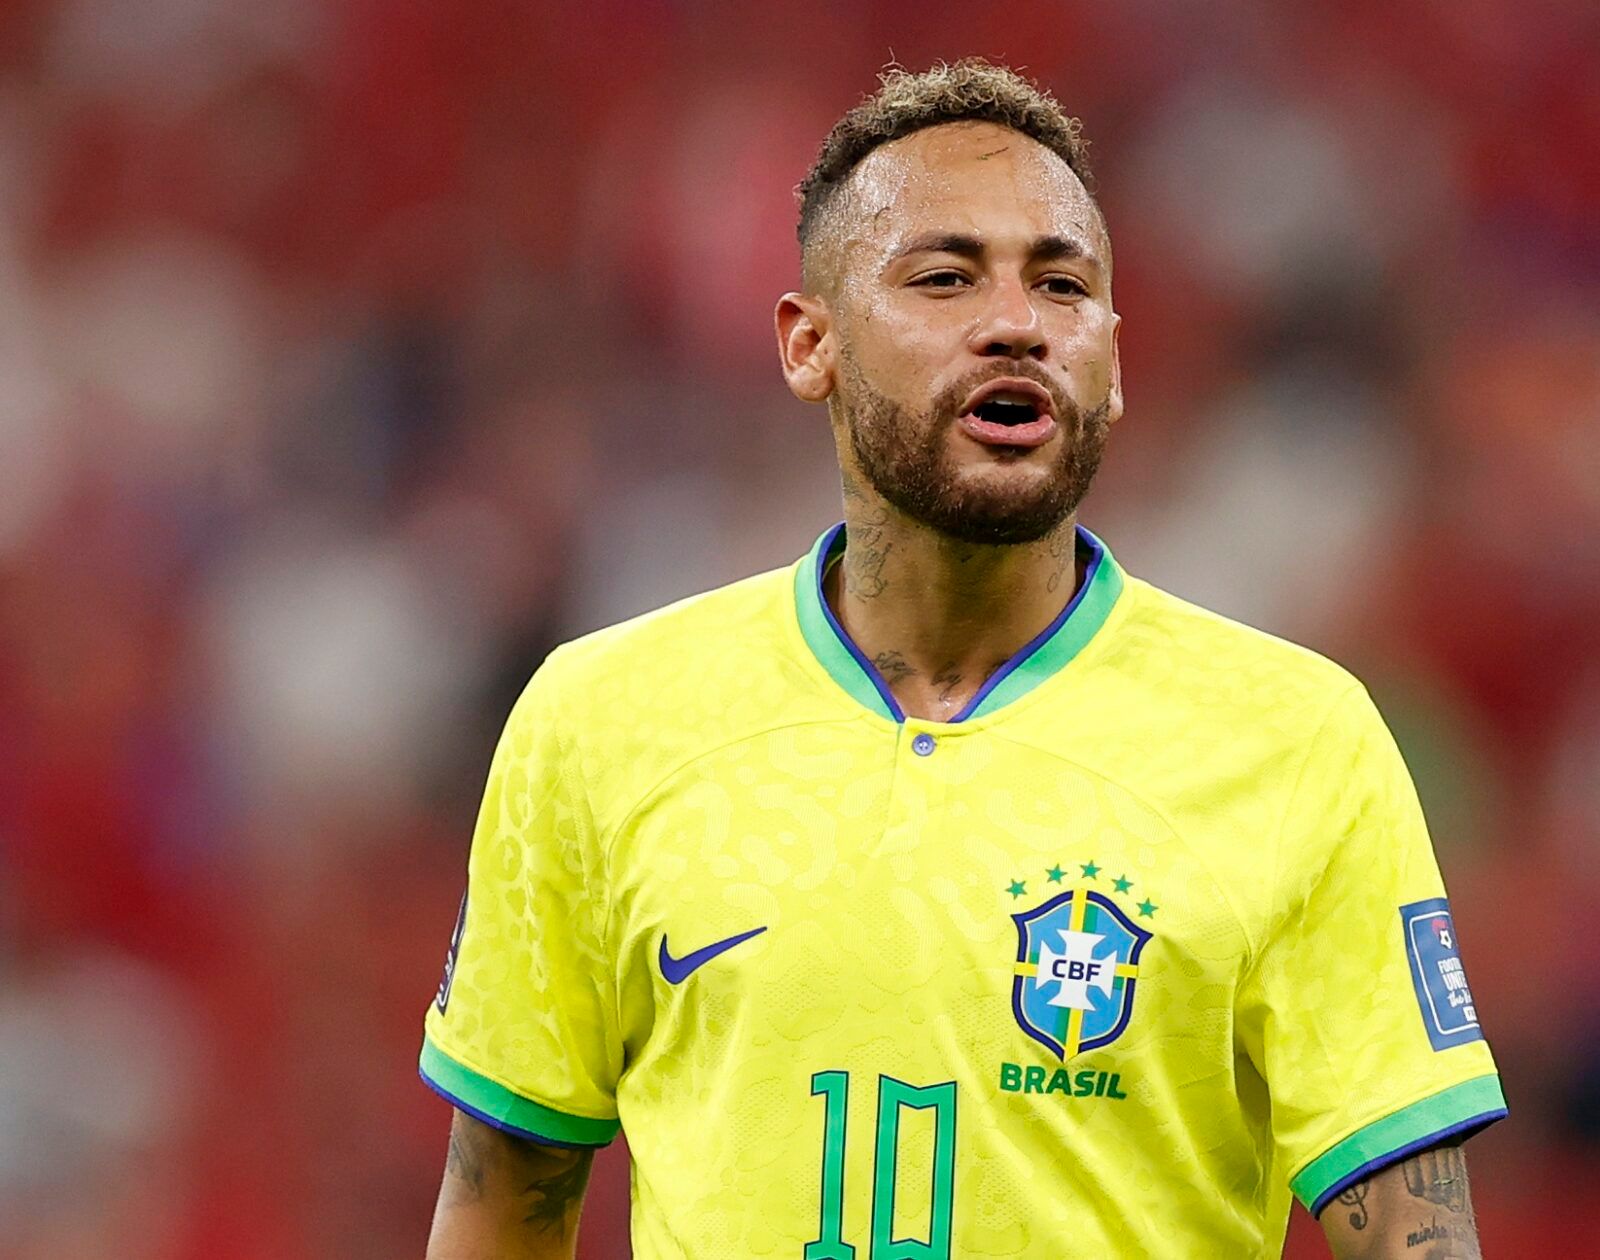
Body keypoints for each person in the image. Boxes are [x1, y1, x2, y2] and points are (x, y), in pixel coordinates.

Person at [419, 59, 1504, 1260]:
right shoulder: (602, 722)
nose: (1016, 324)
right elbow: (502, 1201)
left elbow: (1418, 1234)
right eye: (943, 277)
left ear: (1114, 359)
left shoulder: (1297, 742)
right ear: (808, 344)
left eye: (1063, 285)